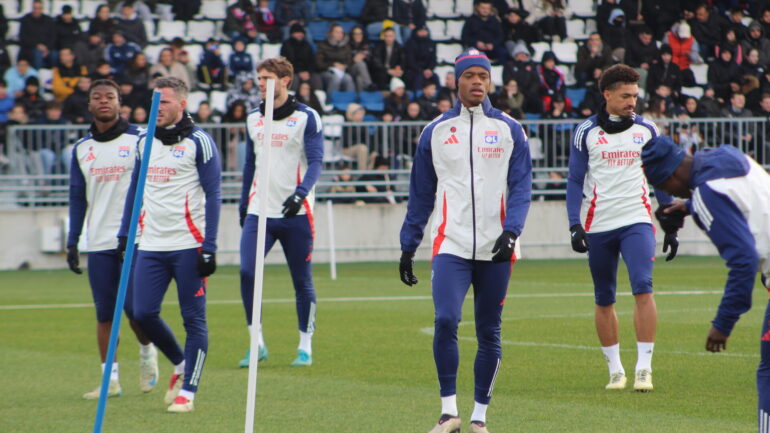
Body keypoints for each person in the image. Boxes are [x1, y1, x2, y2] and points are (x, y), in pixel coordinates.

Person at [399, 49, 532, 433]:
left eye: (483, 76)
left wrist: (512, 231)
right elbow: (421, 193)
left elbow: (522, 185)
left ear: (490, 82)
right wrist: (409, 245)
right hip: (450, 244)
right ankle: (447, 412)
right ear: (455, 81)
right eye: (470, 75)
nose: (477, 81)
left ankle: (478, 417)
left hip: (498, 246)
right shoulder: (435, 131)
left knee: (489, 330)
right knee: (445, 319)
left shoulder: (509, 129)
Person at [640, 135, 770, 433]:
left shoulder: (706, 195)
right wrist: (688, 207)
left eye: (664, 186)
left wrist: (723, 323)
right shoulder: (724, 153)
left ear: (671, 176)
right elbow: (737, 195)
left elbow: (745, 261)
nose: (667, 192)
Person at [566, 64, 677, 393]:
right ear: (607, 95)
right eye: (626, 96)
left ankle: (644, 367)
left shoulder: (647, 129)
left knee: (643, 286)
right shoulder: (585, 131)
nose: (632, 102)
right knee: (604, 298)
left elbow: (661, 174)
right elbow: (574, 180)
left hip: (636, 219)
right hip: (598, 223)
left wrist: (669, 219)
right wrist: (574, 224)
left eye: (635, 95)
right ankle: (616, 370)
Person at [118, 77, 221, 413]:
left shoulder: (199, 142)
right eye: (154, 102)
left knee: (193, 320)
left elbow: (215, 195)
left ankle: (188, 392)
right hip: (150, 243)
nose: (156, 109)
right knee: (141, 311)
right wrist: (124, 234)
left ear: (181, 104)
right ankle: (179, 363)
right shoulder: (143, 140)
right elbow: (134, 190)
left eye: (163, 102)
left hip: (189, 244)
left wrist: (210, 246)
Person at [67, 79, 159, 400]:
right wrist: (72, 241)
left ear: (120, 103)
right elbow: (78, 198)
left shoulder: (141, 139)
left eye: (110, 97)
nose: (104, 101)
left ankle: (147, 353)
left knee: (136, 311)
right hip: (99, 242)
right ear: (89, 105)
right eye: (97, 97)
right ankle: (111, 380)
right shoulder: (81, 149)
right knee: (105, 313)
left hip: (136, 239)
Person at [238, 57, 323, 369]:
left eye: (267, 78)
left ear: (286, 80)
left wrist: (301, 195)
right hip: (259, 212)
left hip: (297, 214)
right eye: (259, 78)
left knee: (301, 282)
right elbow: (251, 163)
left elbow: (316, 161)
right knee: (247, 272)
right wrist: (242, 202)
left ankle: (305, 346)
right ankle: (256, 342)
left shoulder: (306, 117)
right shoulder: (252, 119)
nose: (261, 83)